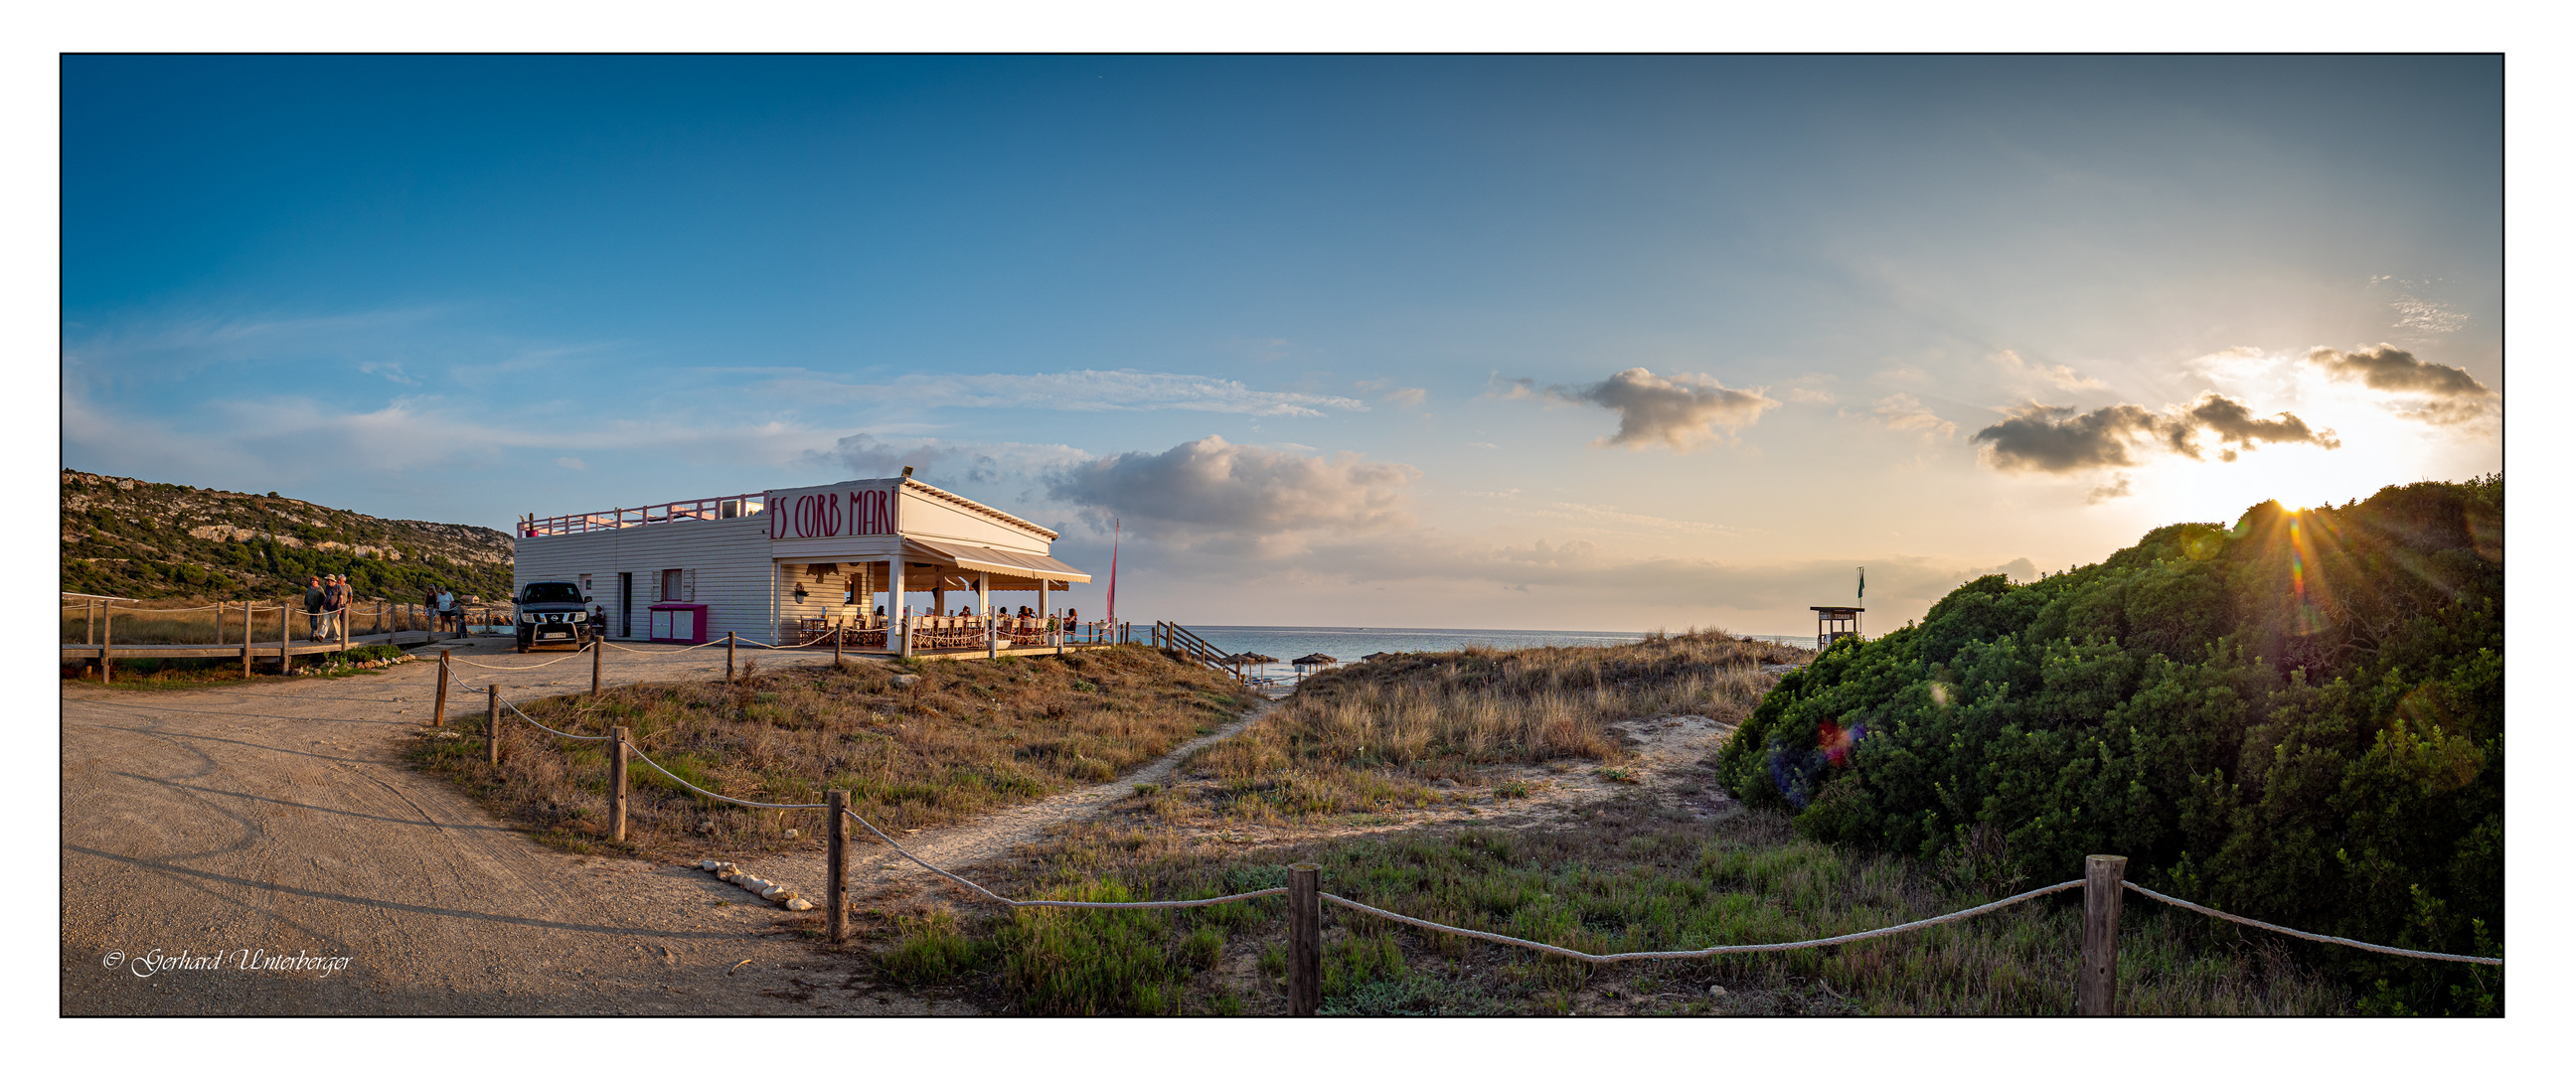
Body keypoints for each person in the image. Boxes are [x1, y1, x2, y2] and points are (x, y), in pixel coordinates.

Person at [301, 576, 325, 641]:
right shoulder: (309, 589)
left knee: (315, 622)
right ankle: (313, 635)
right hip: (310, 608)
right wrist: (306, 604)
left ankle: (314, 636)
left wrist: (322, 605)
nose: (312, 582)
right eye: (311, 580)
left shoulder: (320, 589)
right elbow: (306, 597)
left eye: (314, 580)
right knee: (311, 622)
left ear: (317, 582)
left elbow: (323, 598)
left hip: (317, 608)